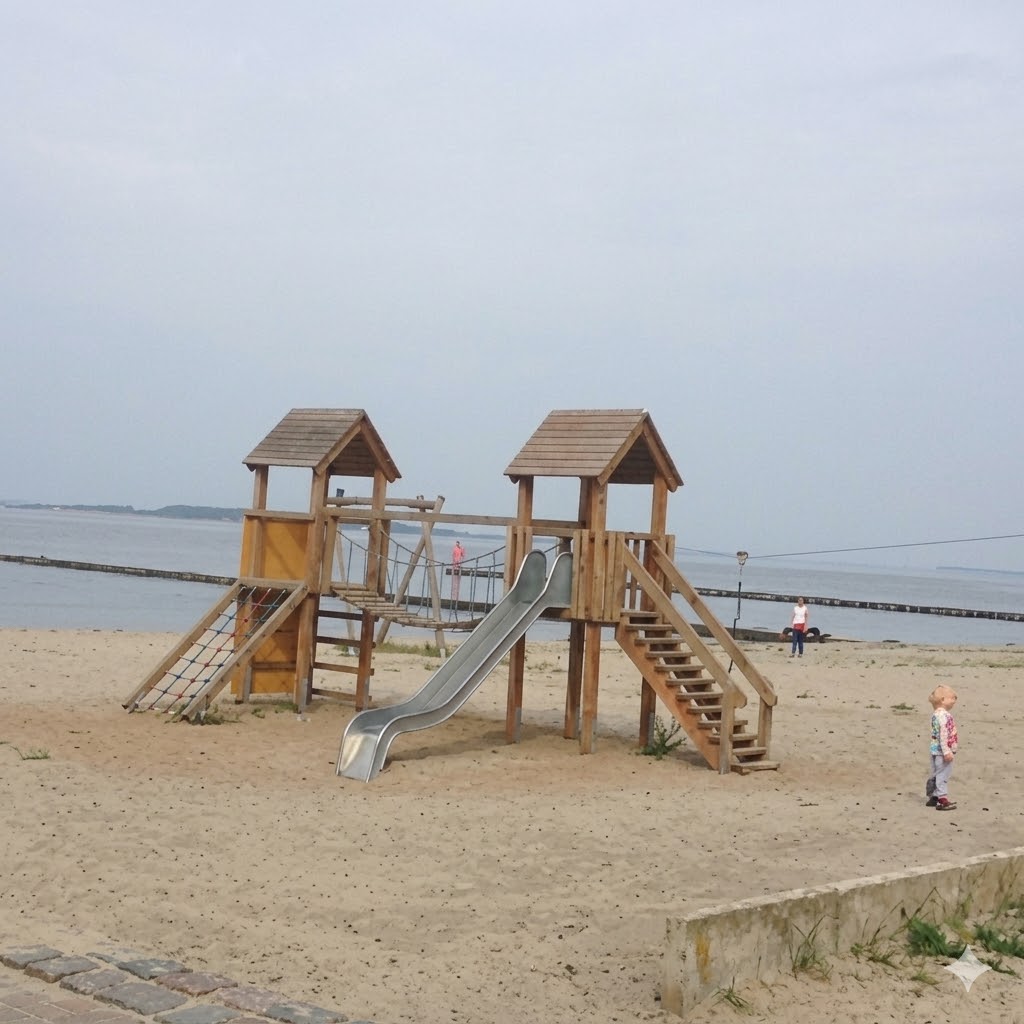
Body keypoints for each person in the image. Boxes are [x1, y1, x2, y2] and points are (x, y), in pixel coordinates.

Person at [926, 685, 959, 810]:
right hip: (942, 751)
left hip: (935, 750)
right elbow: (943, 734)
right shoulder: (944, 716)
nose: (954, 701)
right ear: (943, 700)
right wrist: (947, 751)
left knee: (936, 772)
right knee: (943, 775)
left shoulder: (936, 714)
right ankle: (942, 799)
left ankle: (934, 796)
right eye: (952, 698)